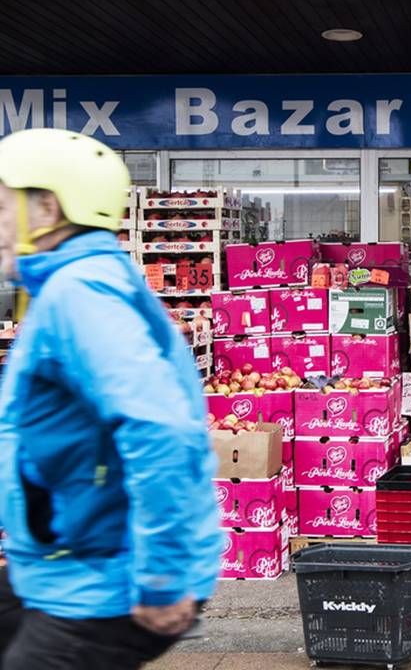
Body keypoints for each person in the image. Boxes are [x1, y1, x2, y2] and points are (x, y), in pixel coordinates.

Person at [0, 129, 223, 669]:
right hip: (61, 558)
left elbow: (160, 431)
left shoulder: (82, 294)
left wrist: (163, 575)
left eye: (3, 203)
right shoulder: (75, 283)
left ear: (47, 207)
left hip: (104, 577)